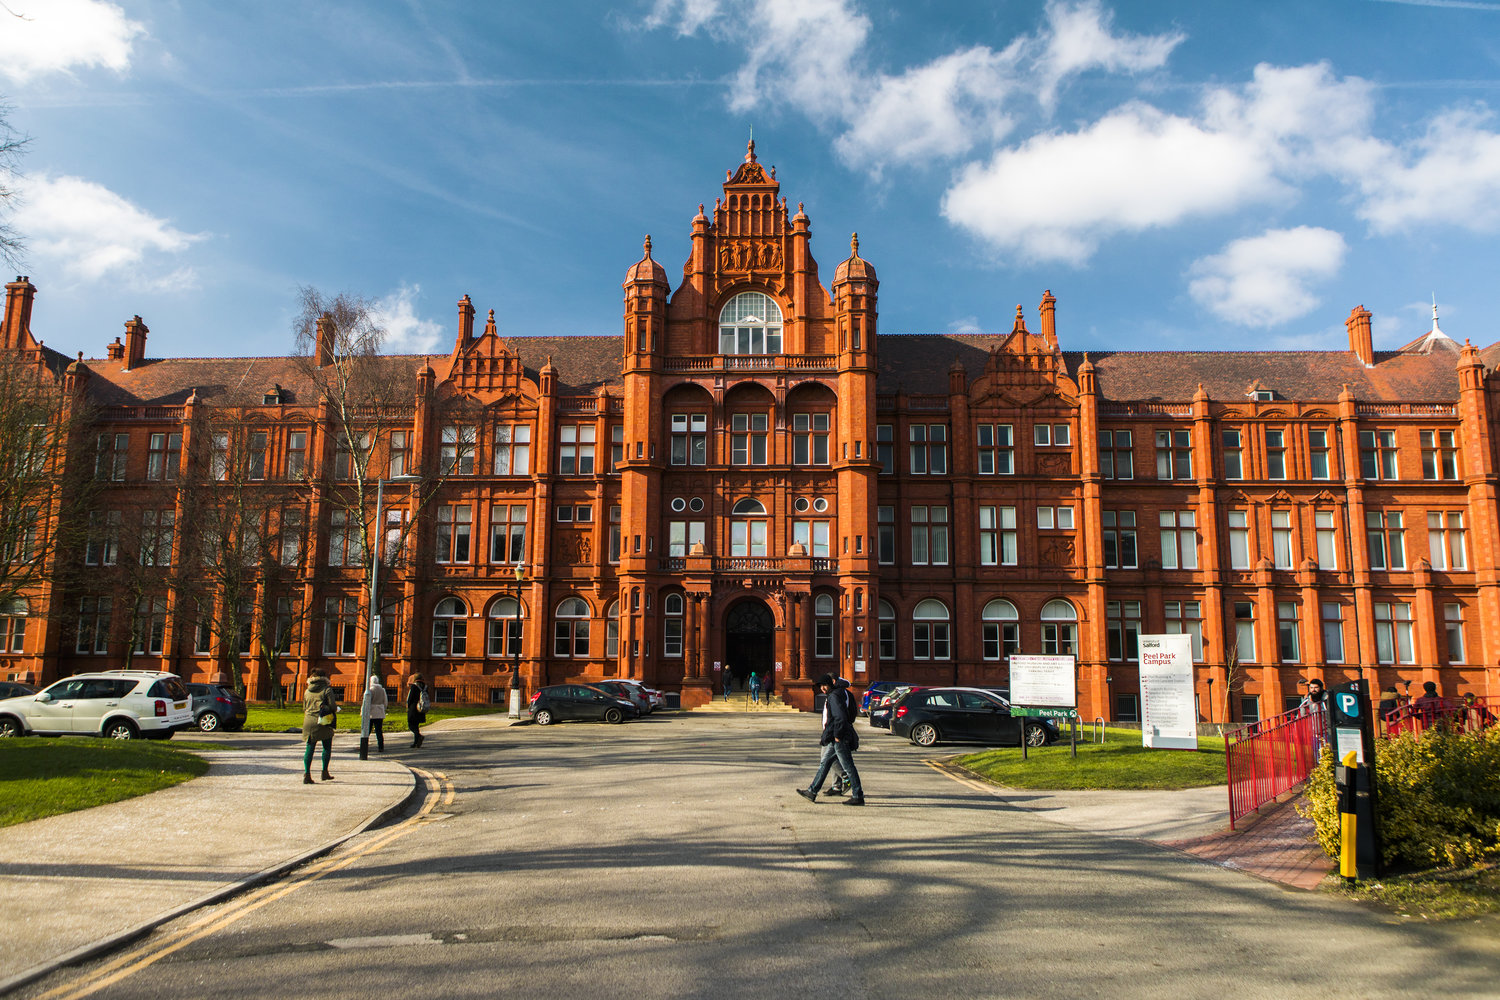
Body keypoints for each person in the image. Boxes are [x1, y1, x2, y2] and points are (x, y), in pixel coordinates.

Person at [795, 674, 864, 806]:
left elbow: (840, 717)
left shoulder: (834, 696)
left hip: (839, 737)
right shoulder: (837, 694)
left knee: (848, 767)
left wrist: (837, 735)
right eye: (820, 686)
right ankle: (812, 791)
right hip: (834, 736)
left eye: (824, 685)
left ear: (830, 684)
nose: (822, 688)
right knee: (825, 764)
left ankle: (858, 795)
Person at [301, 668, 337, 784]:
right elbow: (332, 706)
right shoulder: (327, 690)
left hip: (309, 721)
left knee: (309, 747)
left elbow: (304, 707)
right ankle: (324, 772)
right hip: (323, 720)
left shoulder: (307, 691)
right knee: (326, 746)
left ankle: (307, 774)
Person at [365, 675, 388, 752]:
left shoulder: (370, 690)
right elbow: (385, 701)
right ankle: (381, 746)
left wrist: (363, 712)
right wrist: (383, 708)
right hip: (380, 712)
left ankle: (364, 745)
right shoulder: (382, 690)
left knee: (367, 730)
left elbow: (366, 702)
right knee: (379, 730)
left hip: (371, 712)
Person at [407, 673, 429, 748]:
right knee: (416, 725)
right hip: (421, 708)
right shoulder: (425, 687)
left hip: (414, 708)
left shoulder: (414, 686)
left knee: (411, 725)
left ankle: (419, 737)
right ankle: (416, 742)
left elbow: (410, 698)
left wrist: (408, 706)